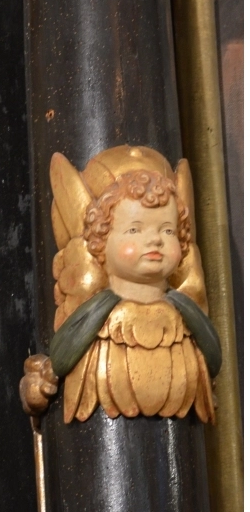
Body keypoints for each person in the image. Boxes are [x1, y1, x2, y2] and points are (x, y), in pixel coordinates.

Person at [20, 149, 221, 424]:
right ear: (101, 239)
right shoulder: (94, 317)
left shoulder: (187, 314)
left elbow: (212, 355)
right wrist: (42, 380)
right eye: (135, 230)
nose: (155, 240)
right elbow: (63, 354)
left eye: (167, 230)